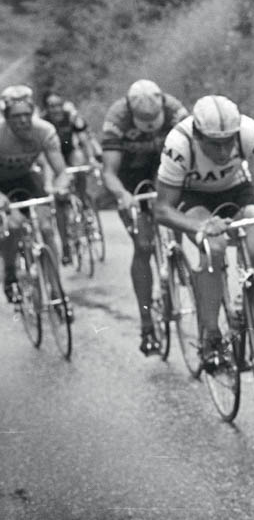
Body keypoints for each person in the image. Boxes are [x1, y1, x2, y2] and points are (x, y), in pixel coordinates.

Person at [154, 94, 254, 369]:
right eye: (215, 144)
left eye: (229, 142)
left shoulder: (248, 131)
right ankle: (211, 335)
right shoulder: (179, 144)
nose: (224, 152)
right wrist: (200, 226)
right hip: (194, 197)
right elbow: (162, 209)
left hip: (238, 190)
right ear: (198, 136)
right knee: (213, 248)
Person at [100, 79, 189, 355]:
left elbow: (193, 153)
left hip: (166, 168)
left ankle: (177, 255)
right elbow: (109, 172)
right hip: (131, 176)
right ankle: (147, 322)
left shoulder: (175, 111)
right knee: (144, 246)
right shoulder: (117, 118)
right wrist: (122, 195)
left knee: (176, 212)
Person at [0, 85, 71, 301]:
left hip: (27, 179)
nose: (23, 121)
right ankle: (10, 270)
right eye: (16, 116)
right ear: (6, 117)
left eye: (26, 115)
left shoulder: (44, 130)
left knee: (47, 227)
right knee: (13, 226)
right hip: (1, 186)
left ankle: (57, 289)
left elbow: (62, 172)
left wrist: (60, 187)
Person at [39, 89, 99, 265]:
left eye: (58, 105)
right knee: (59, 202)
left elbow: (84, 139)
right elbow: (43, 154)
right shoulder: (42, 122)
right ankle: (65, 246)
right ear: (46, 108)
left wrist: (92, 159)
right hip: (53, 157)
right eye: (51, 106)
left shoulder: (71, 117)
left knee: (79, 160)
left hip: (70, 152)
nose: (56, 109)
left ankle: (83, 199)